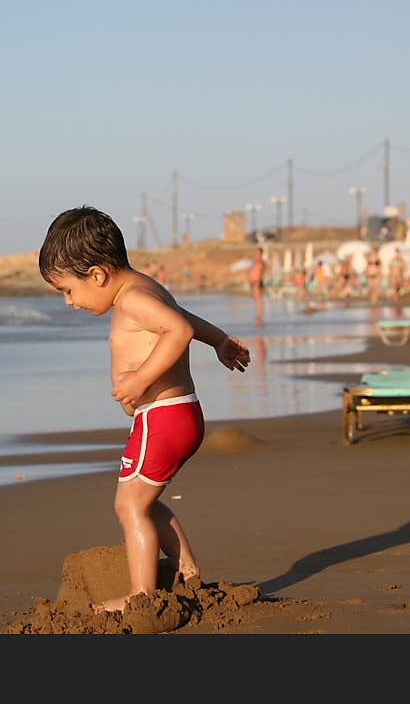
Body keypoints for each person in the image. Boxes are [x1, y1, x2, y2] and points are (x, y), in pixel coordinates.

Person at [38, 206, 250, 613]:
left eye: (68, 290)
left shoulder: (132, 299)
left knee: (128, 505)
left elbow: (179, 330)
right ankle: (186, 570)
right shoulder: (145, 289)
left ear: (97, 275)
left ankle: (142, 596)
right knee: (145, 501)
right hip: (177, 415)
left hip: (162, 416)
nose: (69, 302)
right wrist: (219, 339)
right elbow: (182, 318)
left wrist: (139, 380)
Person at [247, 247, 265, 323]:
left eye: (258, 253)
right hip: (254, 282)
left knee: (258, 299)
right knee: (256, 298)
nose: (256, 254)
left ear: (261, 253)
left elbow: (259, 273)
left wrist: (257, 282)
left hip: (257, 282)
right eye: (256, 252)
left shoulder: (261, 262)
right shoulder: (256, 262)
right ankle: (258, 314)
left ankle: (259, 314)